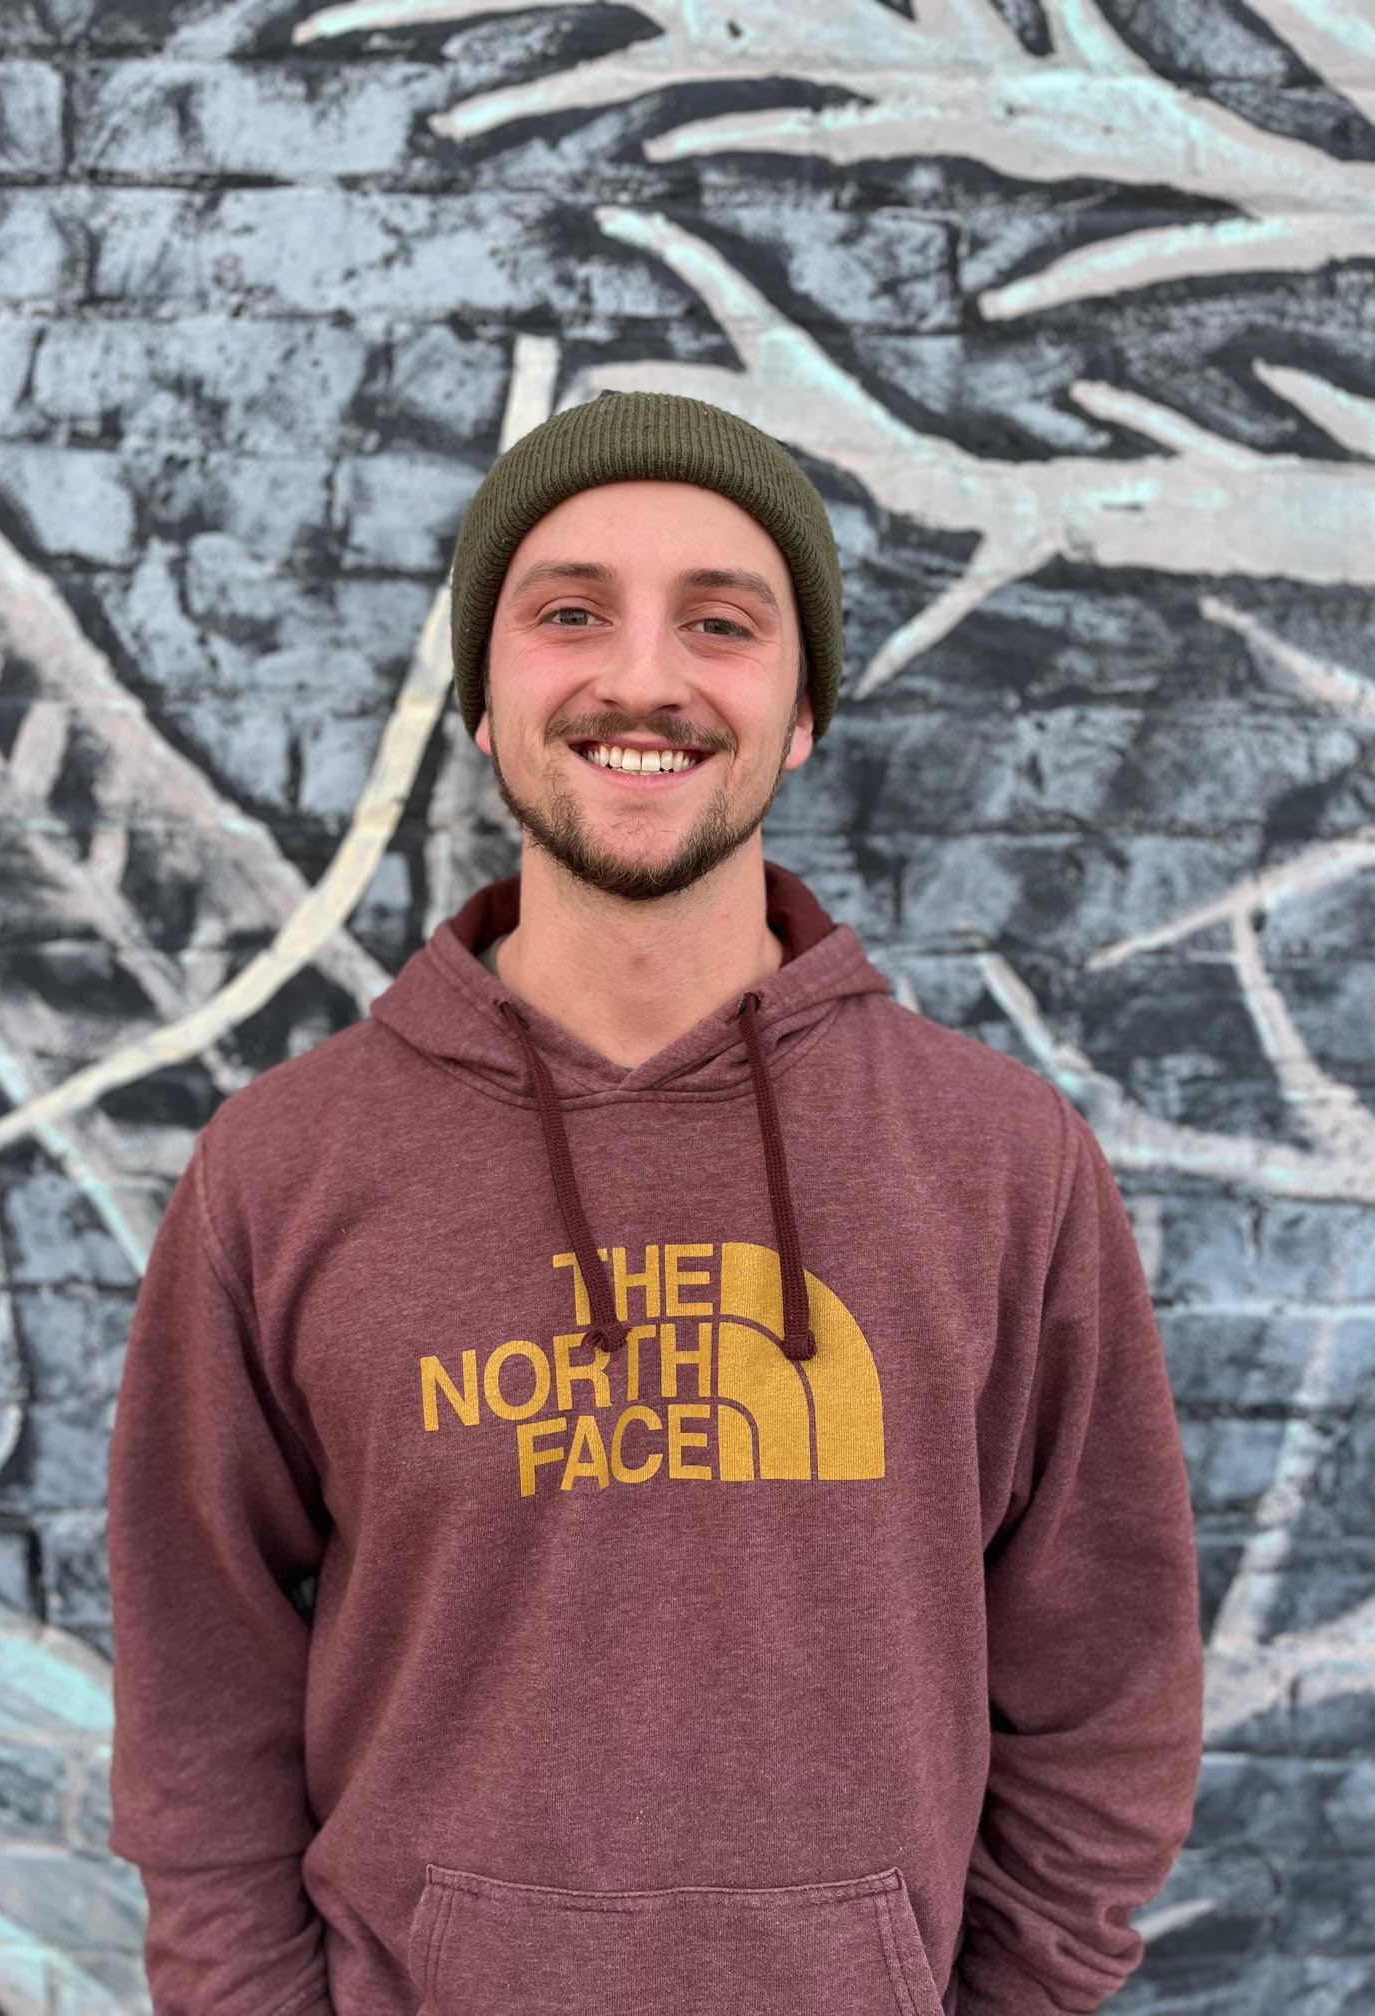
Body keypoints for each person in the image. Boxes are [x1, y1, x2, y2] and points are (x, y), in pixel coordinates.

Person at [106, 391, 1203, 2016]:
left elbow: (1107, 1680)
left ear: (802, 711)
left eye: (720, 622)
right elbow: (197, 1689)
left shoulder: (997, 1162)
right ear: (486, 703)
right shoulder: (283, 1171)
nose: (641, 678)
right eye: (569, 615)